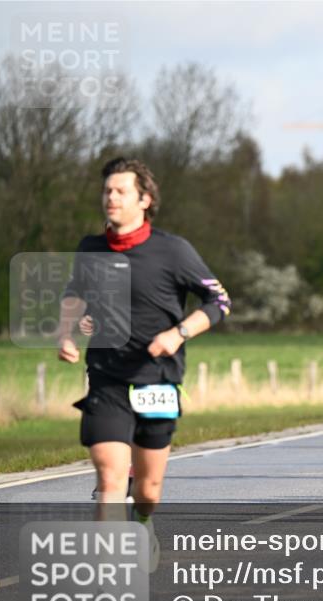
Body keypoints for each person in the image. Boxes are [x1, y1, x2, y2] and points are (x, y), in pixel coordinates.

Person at [58, 157, 231, 545]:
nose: (111, 197)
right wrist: (66, 333)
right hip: (106, 378)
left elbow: (219, 301)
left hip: (158, 378)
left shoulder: (174, 251)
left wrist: (179, 333)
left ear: (145, 199)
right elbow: (75, 293)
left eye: (121, 191)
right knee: (110, 478)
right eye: (107, 190)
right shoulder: (90, 248)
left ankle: (143, 520)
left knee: (148, 490)